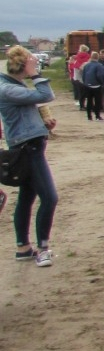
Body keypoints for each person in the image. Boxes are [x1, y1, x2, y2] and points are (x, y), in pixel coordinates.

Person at [0, 46, 58, 267]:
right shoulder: (7, 88)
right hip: (28, 149)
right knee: (50, 198)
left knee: (26, 198)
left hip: (29, 144)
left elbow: (24, 113)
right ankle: (43, 249)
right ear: (23, 65)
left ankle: (23, 248)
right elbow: (46, 94)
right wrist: (35, 74)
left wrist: (43, 124)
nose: (36, 66)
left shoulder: (12, 85)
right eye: (33, 63)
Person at [81, 51, 104, 121]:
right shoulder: (99, 66)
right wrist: (103, 83)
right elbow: (101, 75)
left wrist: (85, 82)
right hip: (97, 86)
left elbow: (83, 75)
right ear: (97, 57)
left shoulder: (86, 65)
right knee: (98, 101)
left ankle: (89, 116)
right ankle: (97, 116)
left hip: (87, 85)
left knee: (89, 101)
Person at [68, 44, 91, 110]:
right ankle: (84, 106)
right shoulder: (87, 58)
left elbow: (74, 67)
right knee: (86, 93)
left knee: (81, 93)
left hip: (77, 78)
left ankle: (82, 106)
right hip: (85, 79)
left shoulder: (77, 59)